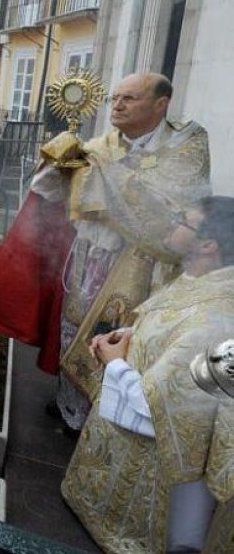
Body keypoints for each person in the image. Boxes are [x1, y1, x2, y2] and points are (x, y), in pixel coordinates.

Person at [0, 72, 212, 433]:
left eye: (129, 98)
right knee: (74, 328)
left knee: (120, 338)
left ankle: (104, 415)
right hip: (88, 258)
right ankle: (71, 406)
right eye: (114, 98)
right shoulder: (102, 146)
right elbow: (53, 195)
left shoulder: (188, 144)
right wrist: (58, 166)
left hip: (145, 266)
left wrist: (100, 176)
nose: (118, 105)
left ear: (161, 104)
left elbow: (175, 211)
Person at [62, 196, 234, 552]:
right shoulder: (202, 282)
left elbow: (163, 411)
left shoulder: (216, 321)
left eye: (182, 220)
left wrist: (114, 364)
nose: (171, 224)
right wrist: (129, 338)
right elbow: (168, 333)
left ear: (207, 244)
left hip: (145, 493)